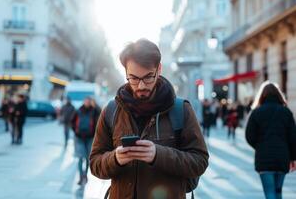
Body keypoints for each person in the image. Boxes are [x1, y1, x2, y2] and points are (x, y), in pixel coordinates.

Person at [89, 39, 209, 199]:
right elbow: (95, 164)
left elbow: (200, 161)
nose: (141, 86)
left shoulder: (181, 109)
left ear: (158, 69)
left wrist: (158, 155)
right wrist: (115, 158)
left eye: (148, 77)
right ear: (125, 72)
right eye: (133, 78)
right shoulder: (111, 111)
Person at [245, 81, 296, 199]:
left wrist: (259, 146)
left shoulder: (256, 112)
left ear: (262, 95)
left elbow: (249, 136)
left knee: (269, 193)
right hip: (282, 157)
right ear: (279, 95)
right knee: (278, 192)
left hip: (264, 159)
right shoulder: (286, 112)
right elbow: (293, 137)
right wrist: (293, 158)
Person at [72, 97, 99, 185]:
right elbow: (72, 121)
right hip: (79, 137)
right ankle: (80, 176)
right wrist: (75, 132)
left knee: (88, 158)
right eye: (86, 101)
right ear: (83, 102)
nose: (87, 103)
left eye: (88, 101)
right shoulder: (78, 110)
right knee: (80, 157)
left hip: (90, 137)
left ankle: (85, 175)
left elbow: (99, 122)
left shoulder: (94, 111)